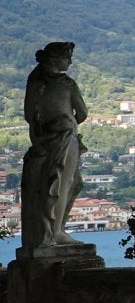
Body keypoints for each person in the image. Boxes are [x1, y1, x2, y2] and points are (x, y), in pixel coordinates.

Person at [20, 40, 89, 252]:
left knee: (52, 184)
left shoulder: (34, 81)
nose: (70, 61)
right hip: (65, 138)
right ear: (55, 58)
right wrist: (67, 122)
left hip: (44, 139)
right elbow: (83, 113)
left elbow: (29, 114)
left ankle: (49, 232)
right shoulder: (67, 83)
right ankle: (55, 231)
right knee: (63, 183)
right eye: (67, 57)